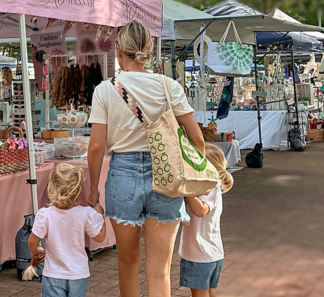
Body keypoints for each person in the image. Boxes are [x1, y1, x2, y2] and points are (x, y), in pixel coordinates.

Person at [87, 20, 205, 297]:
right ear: (149, 50)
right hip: (165, 176)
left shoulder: (105, 89)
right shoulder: (169, 87)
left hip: (122, 175)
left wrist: (93, 192)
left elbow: (95, 147)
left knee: (127, 262)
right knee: (160, 271)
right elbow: (197, 139)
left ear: (118, 51)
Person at [28, 163, 107, 297]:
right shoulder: (86, 213)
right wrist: (101, 216)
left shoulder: (45, 214)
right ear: (78, 189)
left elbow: (32, 240)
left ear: (51, 188)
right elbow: (100, 237)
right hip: (78, 273)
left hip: (53, 274)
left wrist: (35, 251)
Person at [179, 144, 233, 297]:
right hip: (207, 253)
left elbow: (201, 210)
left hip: (200, 254)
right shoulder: (207, 187)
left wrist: (185, 190)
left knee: (200, 293)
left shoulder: (212, 187)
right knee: (209, 291)